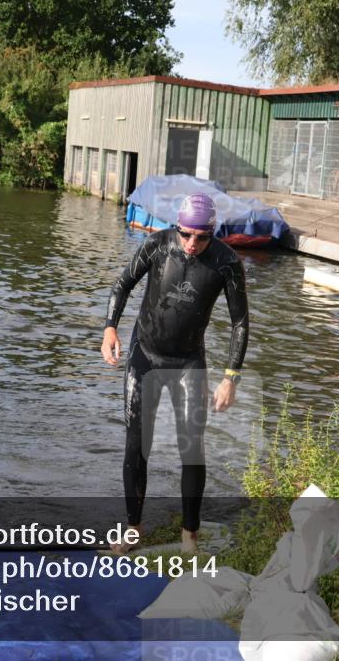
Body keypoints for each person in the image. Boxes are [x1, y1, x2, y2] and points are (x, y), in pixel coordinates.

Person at [101, 192, 249, 554]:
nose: (192, 243)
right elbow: (122, 285)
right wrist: (109, 328)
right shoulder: (156, 246)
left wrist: (231, 378)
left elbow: (240, 322)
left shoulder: (226, 263)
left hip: (187, 363)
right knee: (137, 446)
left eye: (201, 237)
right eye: (185, 234)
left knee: (192, 449)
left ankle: (189, 537)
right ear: (175, 228)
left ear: (212, 233)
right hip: (145, 356)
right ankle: (133, 530)